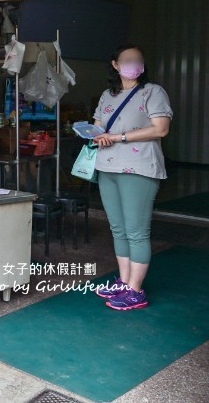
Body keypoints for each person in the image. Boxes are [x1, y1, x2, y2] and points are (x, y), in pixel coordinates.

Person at [92, 45, 172, 311]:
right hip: (107, 167)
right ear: (115, 64)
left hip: (139, 167)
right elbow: (100, 125)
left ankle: (135, 291)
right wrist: (95, 132)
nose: (132, 63)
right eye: (127, 60)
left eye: (137, 59)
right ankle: (124, 282)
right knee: (118, 228)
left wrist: (119, 137)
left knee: (137, 231)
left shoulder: (153, 92)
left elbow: (160, 129)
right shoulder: (107, 95)